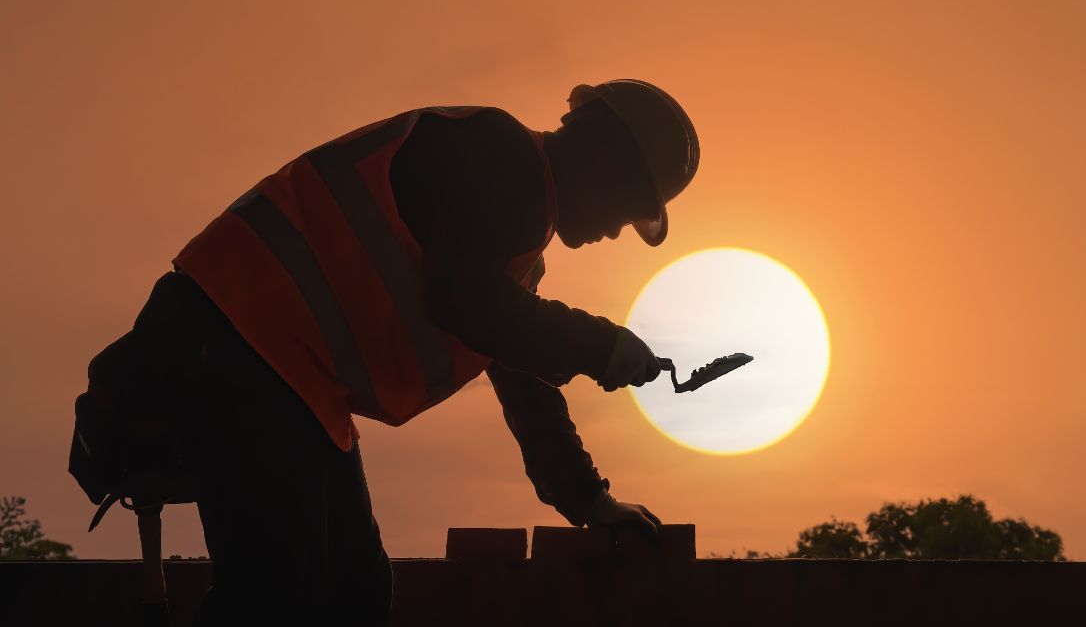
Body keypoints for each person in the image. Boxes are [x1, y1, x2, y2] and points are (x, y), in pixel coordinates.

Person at [85, 79, 699, 625]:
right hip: (234, 339)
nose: (617, 229)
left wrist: (589, 499)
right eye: (627, 207)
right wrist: (601, 344)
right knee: (276, 597)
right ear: (604, 159)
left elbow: (517, 367)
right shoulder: (499, 155)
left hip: (288, 374)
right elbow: (466, 303)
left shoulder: (510, 232)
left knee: (353, 591)